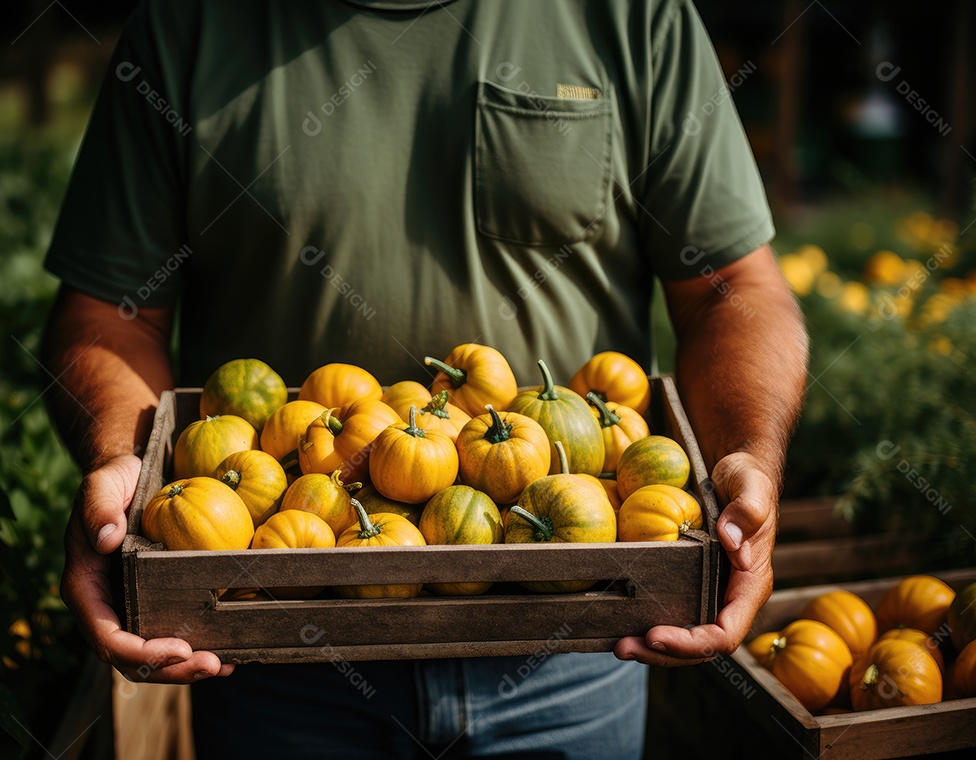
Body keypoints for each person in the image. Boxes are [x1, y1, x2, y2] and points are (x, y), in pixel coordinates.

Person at [42, 0, 807, 757]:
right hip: (272, 644)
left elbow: (730, 290)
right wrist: (121, 462)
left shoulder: (635, 14)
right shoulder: (186, 24)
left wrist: (747, 458)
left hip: (575, 643)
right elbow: (111, 314)